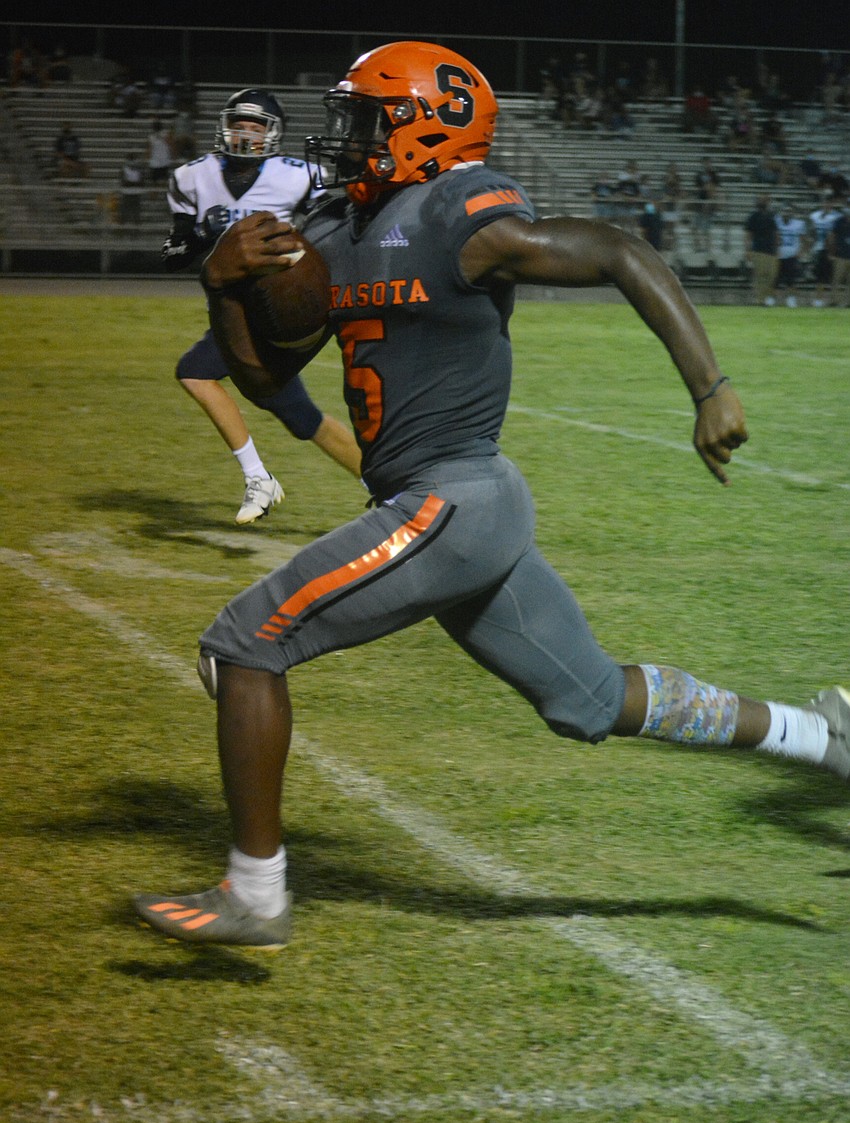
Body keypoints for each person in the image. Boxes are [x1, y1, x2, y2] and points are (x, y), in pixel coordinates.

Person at [133, 42, 850, 949]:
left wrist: (709, 388)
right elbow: (269, 377)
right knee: (588, 699)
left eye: (368, 118)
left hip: (457, 500)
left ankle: (255, 893)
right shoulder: (336, 229)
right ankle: (820, 736)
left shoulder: (458, 210)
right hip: (449, 509)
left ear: (427, 125)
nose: (346, 137)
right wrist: (223, 285)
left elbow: (619, 252)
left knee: (245, 643)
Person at [161, 87, 360, 523]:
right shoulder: (193, 176)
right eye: (239, 124)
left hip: (282, 306)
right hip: (237, 310)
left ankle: (259, 479)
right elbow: (173, 254)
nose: (246, 133)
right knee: (300, 416)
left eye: (256, 126)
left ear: (273, 134)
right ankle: (384, 487)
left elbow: (338, 228)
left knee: (194, 372)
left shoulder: (299, 174)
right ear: (223, 126)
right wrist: (197, 235)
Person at [744, 195, 778, 305]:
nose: (763, 202)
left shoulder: (772, 216)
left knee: (771, 276)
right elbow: (748, 234)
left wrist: (777, 248)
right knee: (759, 276)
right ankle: (759, 300)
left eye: (765, 200)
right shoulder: (753, 216)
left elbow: (776, 233)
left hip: (771, 251)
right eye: (761, 200)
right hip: (758, 250)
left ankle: (765, 297)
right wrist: (748, 250)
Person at [772, 206, 809, 307]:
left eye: (788, 212)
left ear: (792, 213)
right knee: (776, 279)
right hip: (779, 255)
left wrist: (801, 252)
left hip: (792, 256)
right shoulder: (777, 222)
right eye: (784, 211)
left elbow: (804, 239)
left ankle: (791, 299)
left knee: (791, 280)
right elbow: (773, 237)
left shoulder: (798, 224)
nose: (786, 214)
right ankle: (773, 299)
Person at [809, 196, 840, 306]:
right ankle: (819, 299)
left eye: (829, 202)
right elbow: (812, 232)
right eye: (825, 202)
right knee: (819, 276)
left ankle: (832, 300)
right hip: (819, 248)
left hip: (832, 250)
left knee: (832, 276)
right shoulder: (815, 215)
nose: (827, 205)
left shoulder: (837, 217)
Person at [829, 203, 850, 306]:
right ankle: (834, 301)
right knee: (836, 279)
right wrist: (832, 252)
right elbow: (832, 236)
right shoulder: (839, 221)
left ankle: (848, 302)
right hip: (840, 255)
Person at [146, 118, 173, 185]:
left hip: (163, 161)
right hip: (156, 162)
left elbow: (170, 144)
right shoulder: (151, 137)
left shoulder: (165, 135)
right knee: (155, 183)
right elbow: (149, 148)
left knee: (163, 182)